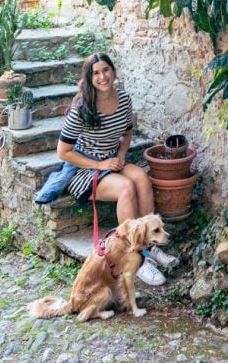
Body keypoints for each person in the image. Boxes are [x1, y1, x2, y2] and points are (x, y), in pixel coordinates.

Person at [57, 53, 178, 286]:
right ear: (88, 78)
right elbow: (63, 152)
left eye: (106, 70)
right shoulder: (82, 109)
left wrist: (121, 154)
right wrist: (99, 165)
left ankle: (149, 248)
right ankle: (134, 256)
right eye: (96, 73)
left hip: (113, 160)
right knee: (125, 187)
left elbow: (127, 132)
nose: (102, 77)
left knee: (141, 177)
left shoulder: (123, 99)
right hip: (86, 169)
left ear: (113, 71)